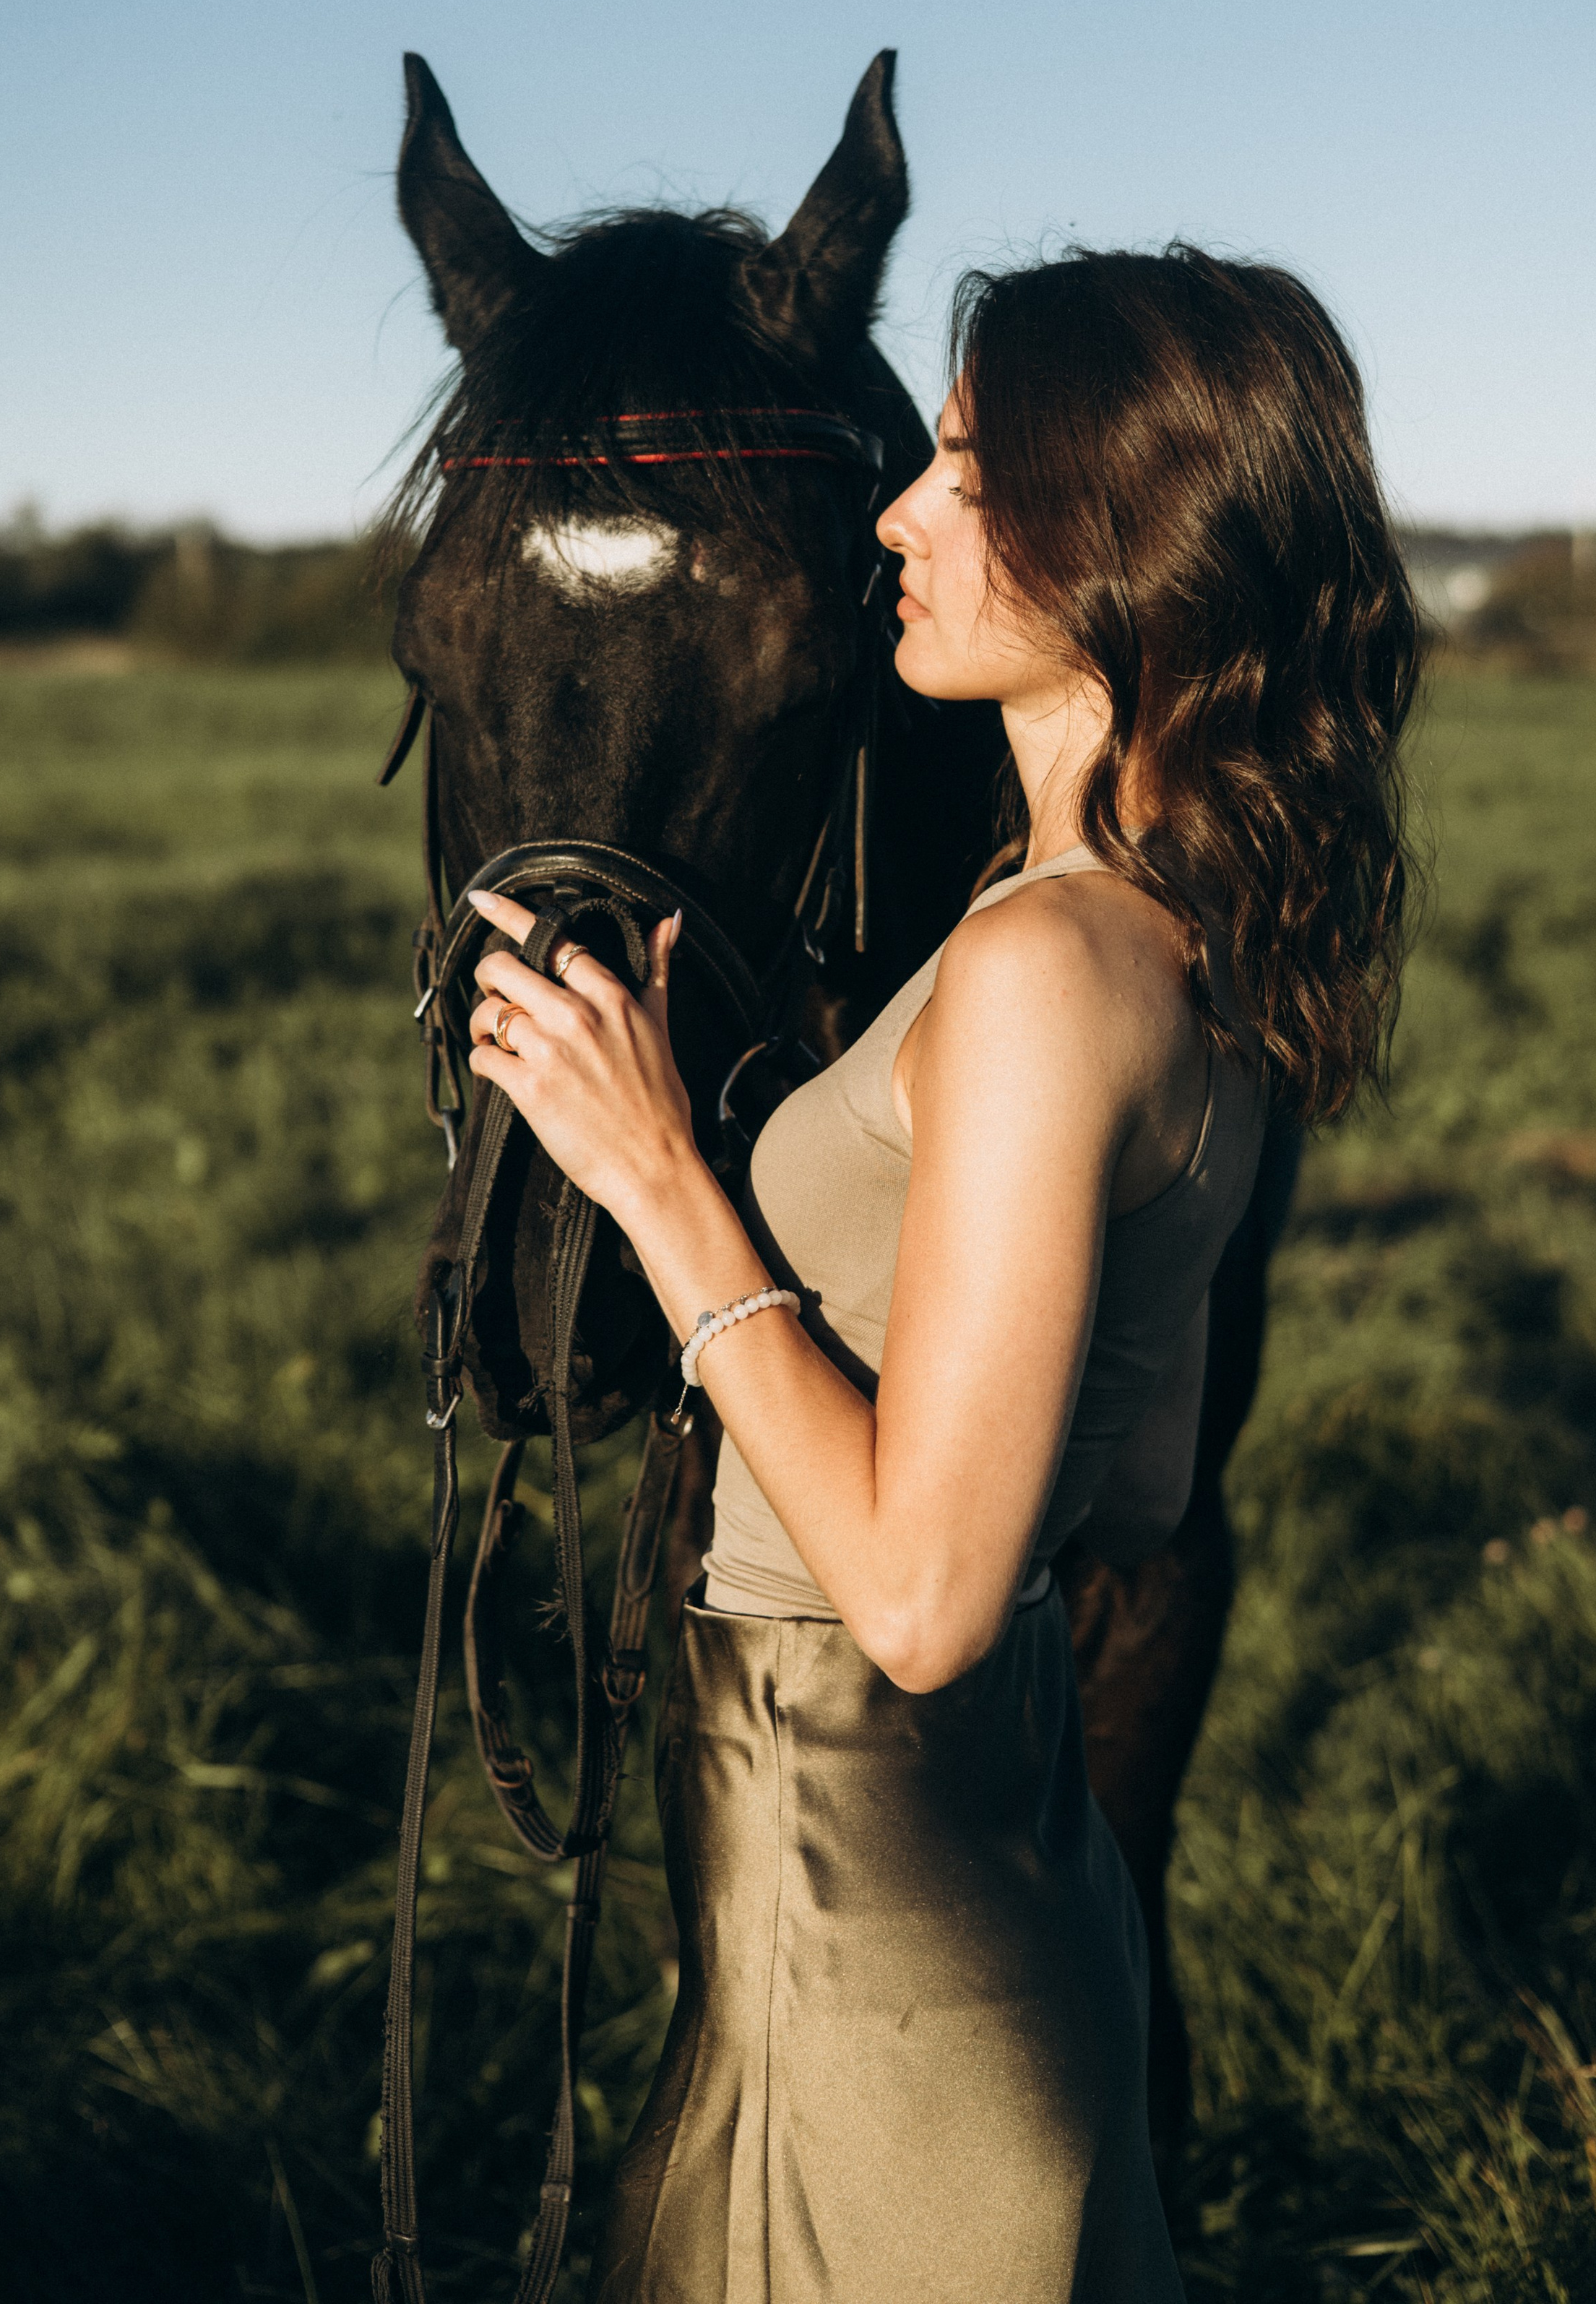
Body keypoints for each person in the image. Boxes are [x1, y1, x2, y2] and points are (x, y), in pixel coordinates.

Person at [462, 247, 1418, 2303]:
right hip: (992, 1894)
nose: (900, 507)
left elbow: (916, 1602)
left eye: (967, 467)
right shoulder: (1177, 935)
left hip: (875, 1958)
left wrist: (666, 1185)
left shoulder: (1025, 972)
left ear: (1123, 541)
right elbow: (1145, 1482)